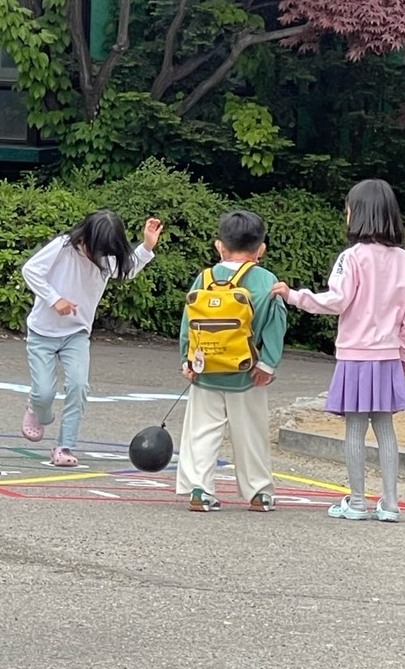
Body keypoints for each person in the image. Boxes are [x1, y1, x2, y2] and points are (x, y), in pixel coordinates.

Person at [272, 179, 405, 522]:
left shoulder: (351, 258)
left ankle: (356, 502)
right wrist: (404, 352)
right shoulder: (402, 259)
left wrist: (295, 296)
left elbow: (337, 300)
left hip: (355, 355)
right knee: (385, 428)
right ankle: (391, 503)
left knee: (355, 428)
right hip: (388, 355)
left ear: (358, 214)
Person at [21, 210, 163, 467]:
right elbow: (31, 271)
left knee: (78, 386)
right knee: (43, 393)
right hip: (42, 332)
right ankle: (36, 407)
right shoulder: (63, 247)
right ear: (84, 236)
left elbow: (127, 270)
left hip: (77, 333)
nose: (97, 256)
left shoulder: (105, 258)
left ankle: (64, 446)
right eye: (94, 249)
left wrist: (146, 246)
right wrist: (55, 299)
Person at [176, 210, 287, 512]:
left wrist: (188, 360)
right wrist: (267, 364)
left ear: (219, 246)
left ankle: (199, 489)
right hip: (247, 371)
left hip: (205, 370)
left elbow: (188, 322)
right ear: (261, 249)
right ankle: (259, 493)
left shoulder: (205, 278)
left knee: (201, 431)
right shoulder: (266, 280)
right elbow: (275, 324)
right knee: (251, 433)